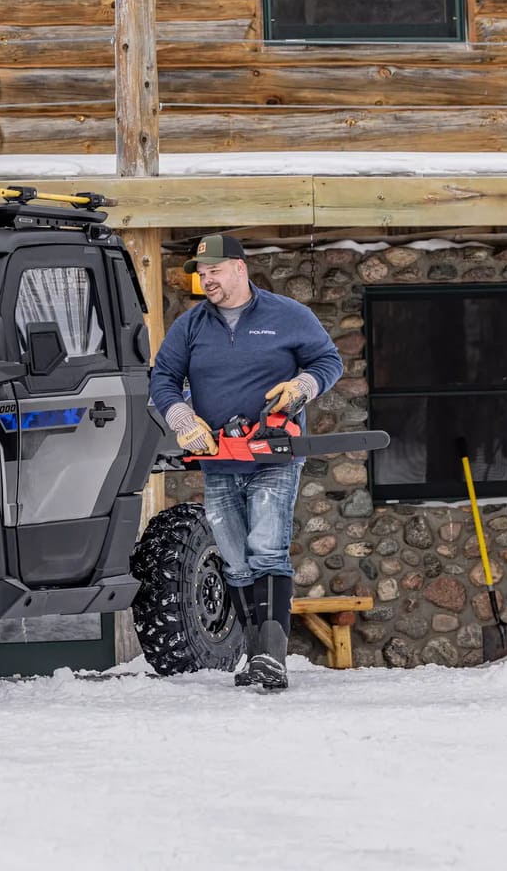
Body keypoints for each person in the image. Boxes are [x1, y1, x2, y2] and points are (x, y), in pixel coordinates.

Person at [150, 234, 343, 690]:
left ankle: (272, 658)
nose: (207, 280)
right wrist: (182, 419)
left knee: (267, 548)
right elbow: (163, 378)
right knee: (235, 560)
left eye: (214, 271)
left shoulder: (288, 315)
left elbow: (327, 361)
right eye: (202, 273)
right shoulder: (191, 325)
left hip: (275, 454)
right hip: (219, 458)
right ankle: (256, 654)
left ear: (240, 268)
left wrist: (301, 388)